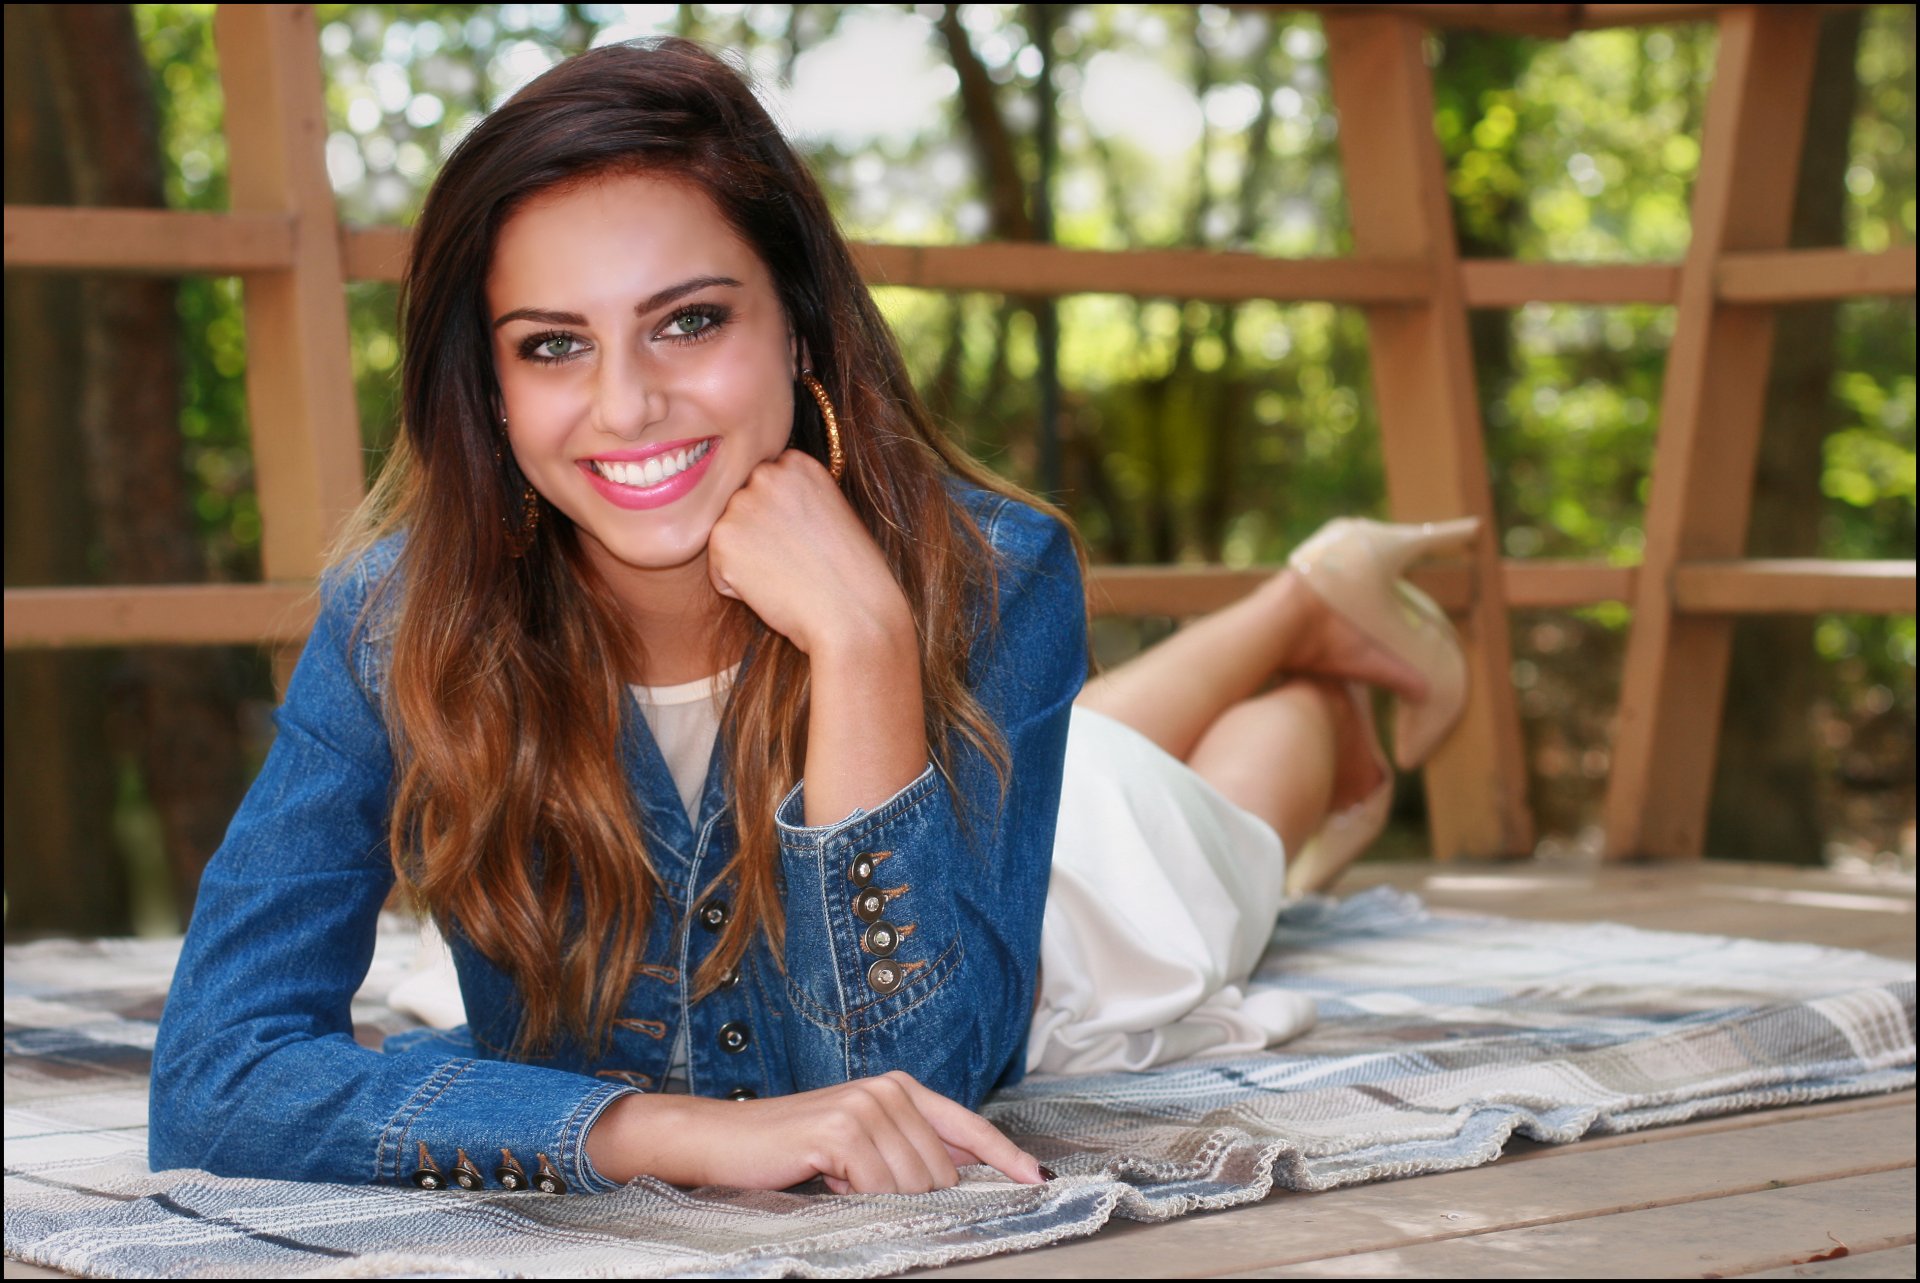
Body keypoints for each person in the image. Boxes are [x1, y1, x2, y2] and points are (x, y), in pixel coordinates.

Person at [148, 37, 1476, 1199]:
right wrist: (655, 1133)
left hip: (1069, 935)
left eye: (689, 322)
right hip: (999, 794)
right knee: (1112, 751)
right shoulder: (402, 619)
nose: (625, 406)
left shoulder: (994, 572)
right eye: (553, 344)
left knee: (1222, 820)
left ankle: (1316, 667)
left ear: (795, 330)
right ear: (487, 387)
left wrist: (862, 642)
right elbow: (218, 1078)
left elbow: (897, 1091)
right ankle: (1306, 604)